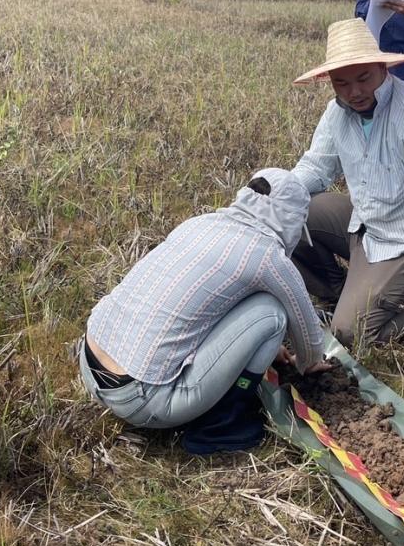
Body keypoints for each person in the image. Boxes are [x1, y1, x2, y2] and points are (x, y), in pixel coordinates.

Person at [80, 169, 331, 454]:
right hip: (142, 399)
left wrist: (267, 349)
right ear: (290, 219)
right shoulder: (267, 256)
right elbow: (308, 333)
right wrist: (309, 362)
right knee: (273, 314)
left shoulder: (200, 223)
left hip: (89, 363)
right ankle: (220, 426)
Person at [290, 18, 404, 348]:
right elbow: (316, 168)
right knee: (290, 213)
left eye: (364, 78)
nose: (355, 92)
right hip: (366, 222)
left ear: (383, 67)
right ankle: (344, 295)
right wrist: (270, 197)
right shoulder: (337, 113)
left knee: (352, 334)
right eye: (342, 83)